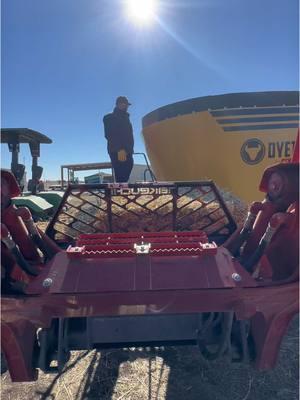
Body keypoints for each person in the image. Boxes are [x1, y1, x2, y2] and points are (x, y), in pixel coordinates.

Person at [103, 96, 134, 182]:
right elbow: (110, 134)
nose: (127, 107)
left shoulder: (126, 118)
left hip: (127, 150)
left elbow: (128, 135)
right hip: (117, 151)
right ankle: (119, 193)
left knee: (129, 166)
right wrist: (119, 149)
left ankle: (121, 191)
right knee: (120, 174)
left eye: (127, 105)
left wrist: (129, 150)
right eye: (125, 104)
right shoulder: (109, 117)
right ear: (119, 104)